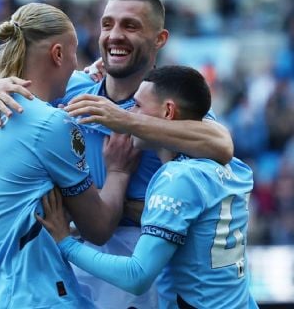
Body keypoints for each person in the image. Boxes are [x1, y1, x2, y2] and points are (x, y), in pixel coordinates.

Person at [0, 0, 234, 308]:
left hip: (143, 273)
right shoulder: (70, 88)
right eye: (107, 25)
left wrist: (125, 121)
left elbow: (221, 144)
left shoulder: (170, 106)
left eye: (130, 26)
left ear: (160, 39)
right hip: (74, 266)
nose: (114, 35)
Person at [0, 2, 140, 309]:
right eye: (74, 54)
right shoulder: (50, 123)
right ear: (58, 54)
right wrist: (118, 171)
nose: (77, 65)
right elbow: (99, 228)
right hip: (40, 298)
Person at [37, 65, 259, 309]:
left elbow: (136, 276)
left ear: (168, 112)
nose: (129, 113)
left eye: (138, 106)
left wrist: (64, 240)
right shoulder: (234, 168)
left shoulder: (178, 178)